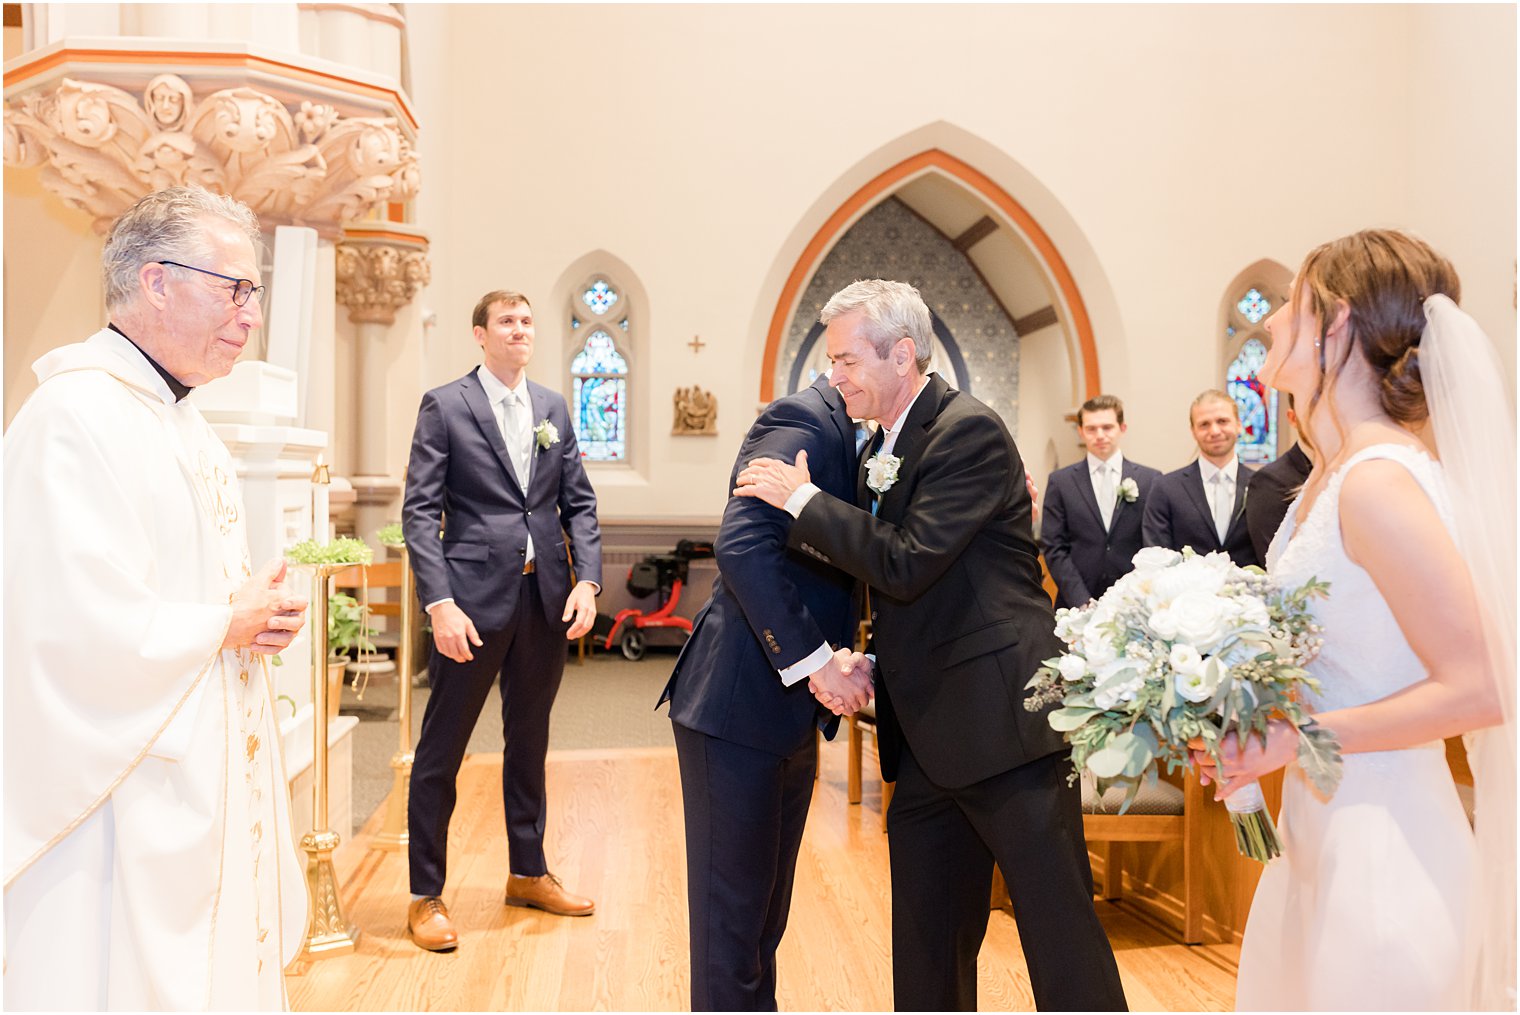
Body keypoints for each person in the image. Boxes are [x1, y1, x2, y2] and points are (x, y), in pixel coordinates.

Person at [735, 279, 1126, 1012]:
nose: (834, 375)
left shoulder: (966, 431)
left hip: (1006, 729)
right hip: (924, 737)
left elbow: (908, 559)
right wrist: (860, 655)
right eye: (833, 361)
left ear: (902, 353)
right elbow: (917, 587)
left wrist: (802, 500)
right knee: (926, 943)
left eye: (848, 359)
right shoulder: (878, 447)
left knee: (1059, 934)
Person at [1189, 230, 1515, 1010]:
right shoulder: (1323, 482)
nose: (1269, 325)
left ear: (1335, 324)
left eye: (1290, 307)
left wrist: (1293, 738)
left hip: (1384, 849)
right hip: (1316, 836)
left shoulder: (1378, 484)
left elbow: (1483, 689)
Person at [4, 186, 310, 1009]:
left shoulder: (184, 423)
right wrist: (226, 621)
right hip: (114, 799)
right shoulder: (73, 416)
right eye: (234, 288)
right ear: (156, 281)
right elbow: (65, 624)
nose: (250, 315)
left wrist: (250, 613)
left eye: (255, 293)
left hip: (198, 770)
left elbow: (189, 582)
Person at [659, 373, 872, 1011]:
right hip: (735, 707)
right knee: (733, 931)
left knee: (760, 926)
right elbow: (744, 547)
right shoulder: (802, 421)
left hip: (780, 710)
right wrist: (819, 666)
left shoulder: (853, 436)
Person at [402, 290, 603, 950]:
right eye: (507, 321)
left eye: (527, 321)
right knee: (442, 752)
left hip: (541, 599)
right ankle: (425, 894)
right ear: (480, 335)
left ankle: (527, 870)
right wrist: (440, 604)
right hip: (468, 605)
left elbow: (579, 504)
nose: (521, 330)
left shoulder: (551, 406)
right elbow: (419, 513)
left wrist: (589, 581)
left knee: (530, 743)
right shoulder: (446, 404)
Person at [1039, 394, 1162, 609]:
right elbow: (1054, 547)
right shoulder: (1061, 482)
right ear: (1081, 431)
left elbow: (1154, 544)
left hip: (1134, 602)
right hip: (1076, 602)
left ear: (1122, 428)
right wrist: (1081, 600)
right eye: (1091, 429)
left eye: (1107, 427)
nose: (1100, 435)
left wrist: (1135, 594)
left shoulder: (1150, 479)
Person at [1141, 389, 1259, 567]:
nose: (1214, 431)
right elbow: (1157, 555)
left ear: (1239, 425)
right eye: (1204, 424)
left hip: (1250, 591)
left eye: (1222, 421)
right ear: (1193, 431)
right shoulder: (1166, 488)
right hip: (1184, 593)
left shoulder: (1261, 485)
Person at [1243, 397, 1313, 563]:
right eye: (1311, 412)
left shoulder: (1350, 468)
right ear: (1293, 418)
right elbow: (1277, 566)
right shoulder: (1269, 481)